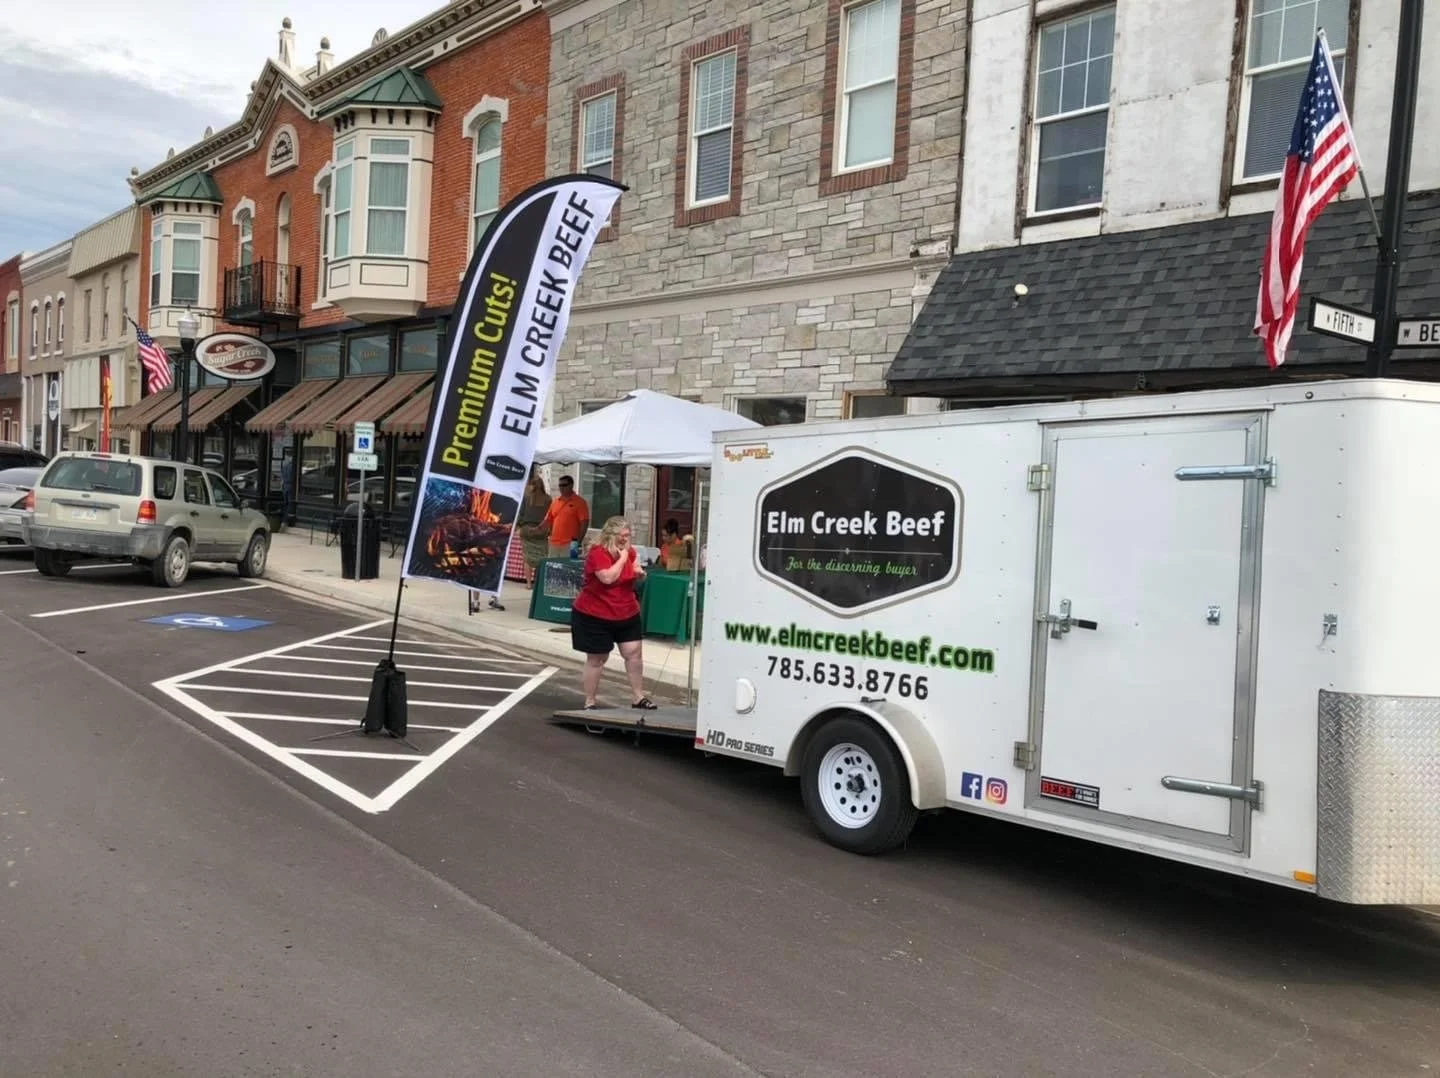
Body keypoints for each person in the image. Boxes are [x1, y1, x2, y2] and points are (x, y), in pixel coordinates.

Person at [571, 515, 655, 711]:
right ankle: (590, 701)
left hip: (626, 611)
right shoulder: (598, 553)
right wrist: (622, 559)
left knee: (633, 653)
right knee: (598, 658)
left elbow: (636, 570)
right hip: (595, 613)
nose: (625, 539)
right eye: (622, 535)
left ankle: (638, 697)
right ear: (611, 535)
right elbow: (608, 578)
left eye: (628, 535)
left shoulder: (630, 552)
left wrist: (640, 573)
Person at [542, 474, 590, 560]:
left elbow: (584, 523)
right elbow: (548, 520)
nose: (561, 488)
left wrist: (578, 542)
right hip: (554, 543)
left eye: (564, 485)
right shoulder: (555, 502)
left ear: (571, 485)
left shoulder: (580, 502)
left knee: (570, 569)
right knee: (552, 568)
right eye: (560, 485)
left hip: (572, 543)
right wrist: (536, 529)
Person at [515, 470, 551, 586]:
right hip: (541, 530)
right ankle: (538, 582)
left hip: (527, 530)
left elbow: (520, 514)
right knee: (541, 557)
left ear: (532, 486)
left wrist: (518, 526)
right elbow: (550, 516)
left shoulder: (526, 498)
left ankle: (529, 583)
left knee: (527, 558)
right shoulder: (548, 499)